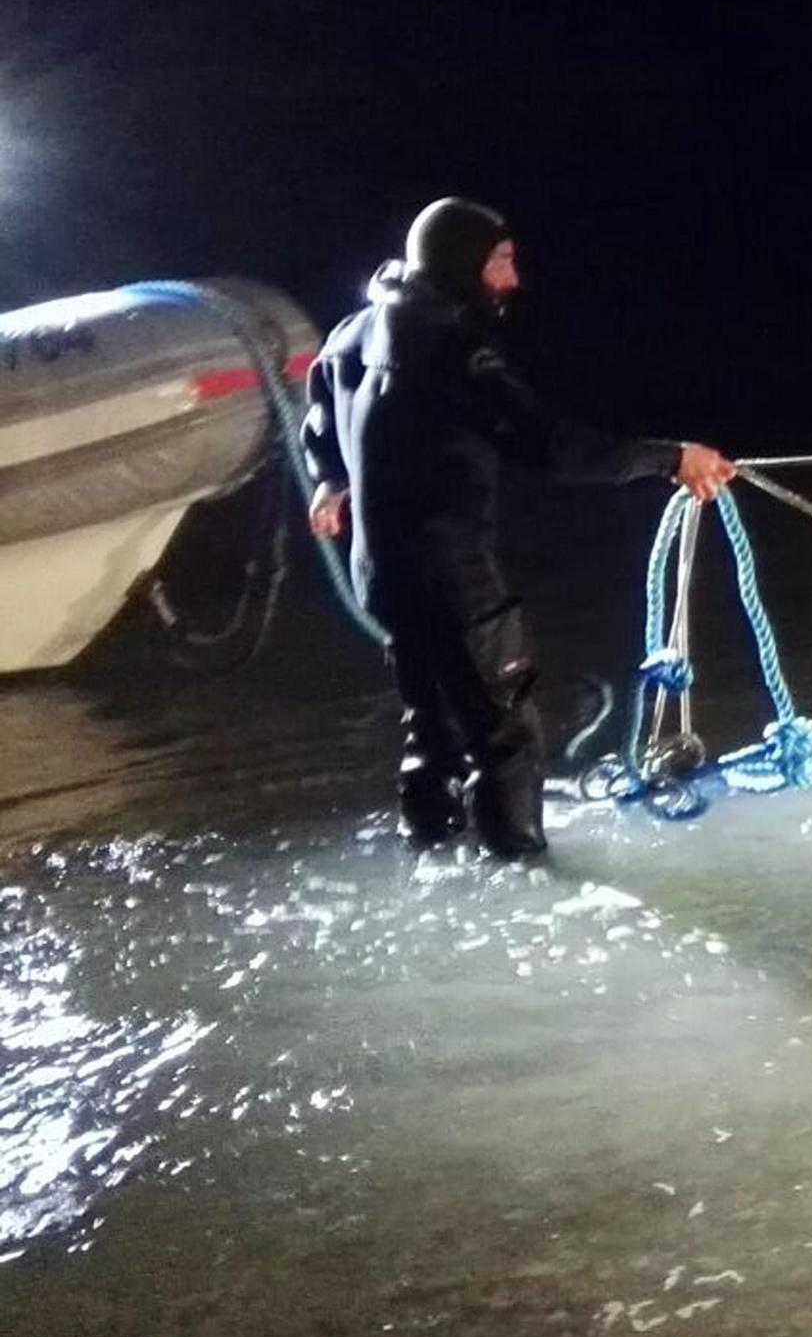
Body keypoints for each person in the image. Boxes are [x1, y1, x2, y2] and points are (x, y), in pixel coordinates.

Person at [301, 198, 734, 860]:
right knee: (506, 738)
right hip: (453, 576)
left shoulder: (351, 333)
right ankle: (524, 869)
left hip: (382, 576)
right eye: (501, 262)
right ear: (460, 262)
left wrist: (329, 479)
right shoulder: (448, 344)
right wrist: (671, 459)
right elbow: (550, 445)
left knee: (433, 731)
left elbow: (322, 416)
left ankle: (430, 849)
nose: (513, 280)